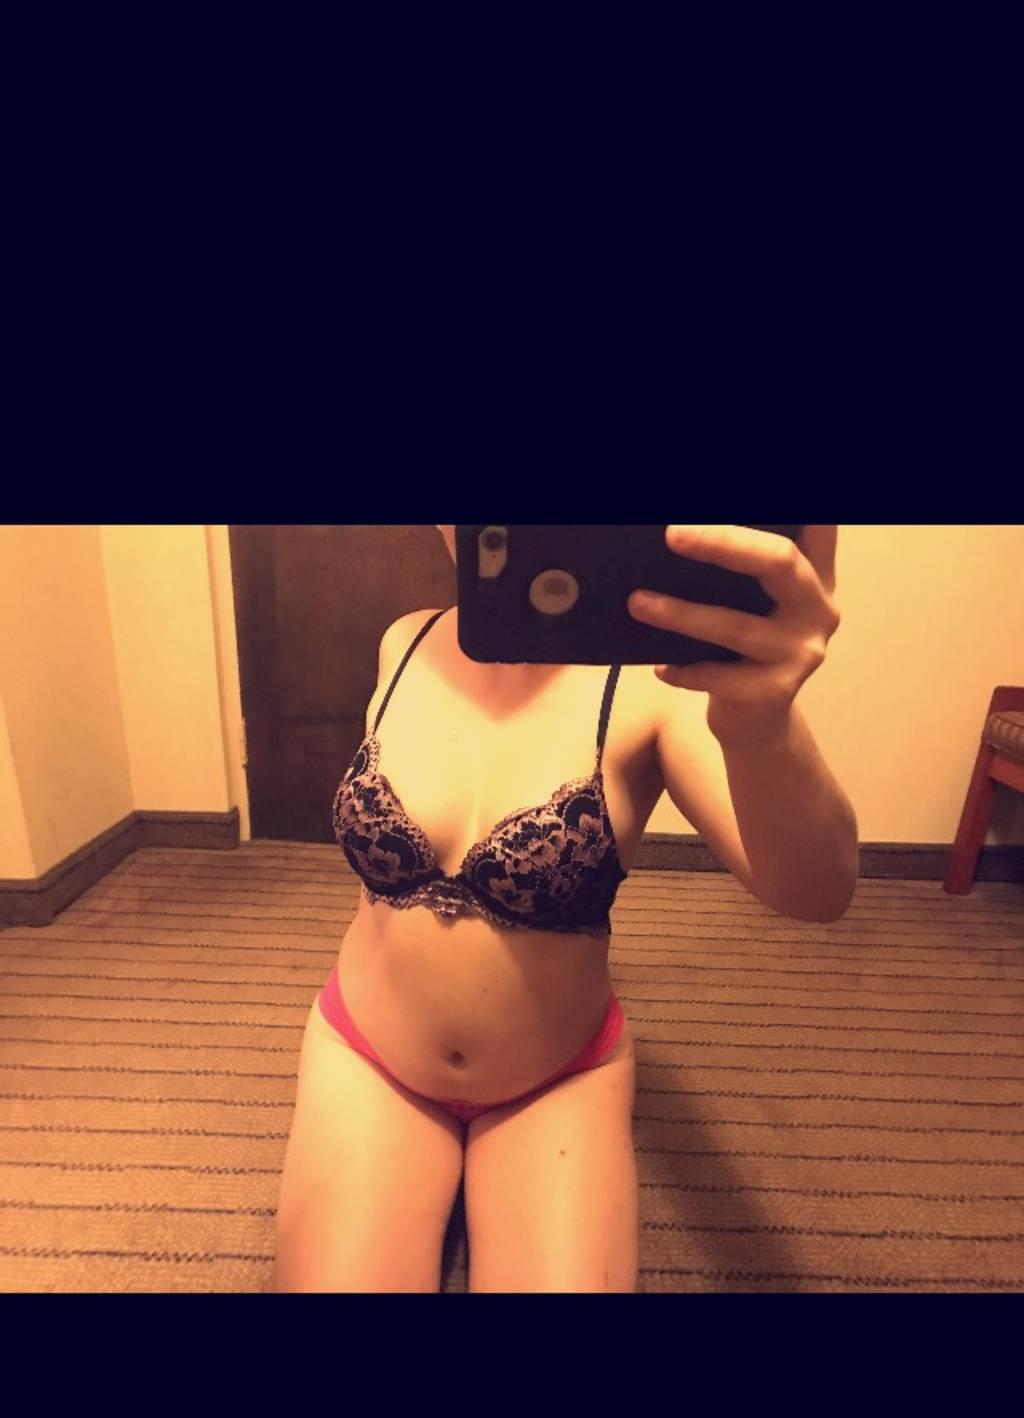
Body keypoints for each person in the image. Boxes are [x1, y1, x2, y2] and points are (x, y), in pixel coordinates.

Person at [272, 524, 858, 1292]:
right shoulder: (403, 642)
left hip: (555, 1079)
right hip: (369, 1055)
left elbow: (817, 891)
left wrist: (763, 727)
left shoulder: (663, 678)